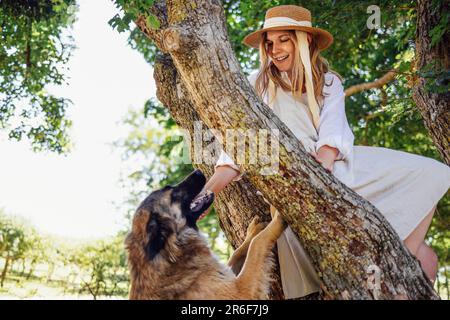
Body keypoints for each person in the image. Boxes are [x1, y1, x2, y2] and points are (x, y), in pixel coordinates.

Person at [199, 5, 450, 299]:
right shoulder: (259, 84)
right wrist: (206, 194)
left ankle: (396, 262)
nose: (275, 49)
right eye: (270, 42)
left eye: (284, 40)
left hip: (332, 170)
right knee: (423, 254)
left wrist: (322, 177)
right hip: (291, 179)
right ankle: (392, 265)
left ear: (303, 40)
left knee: (432, 191)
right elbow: (238, 148)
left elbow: (332, 135)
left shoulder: (328, 81)